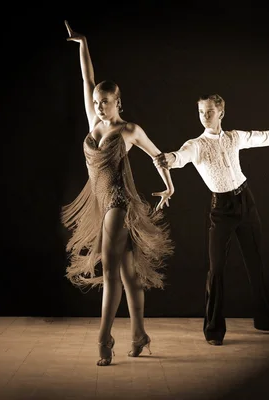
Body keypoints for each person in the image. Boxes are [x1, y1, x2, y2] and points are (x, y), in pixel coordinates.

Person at [154, 94, 269, 345]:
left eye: (209, 111)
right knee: (216, 270)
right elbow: (181, 156)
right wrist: (170, 159)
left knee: (255, 263)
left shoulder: (234, 137)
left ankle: (267, 320)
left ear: (221, 112)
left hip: (246, 202)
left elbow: (264, 137)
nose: (204, 116)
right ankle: (213, 330)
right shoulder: (196, 144)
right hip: (221, 210)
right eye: (201, 112)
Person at [61, 21, 175, 366]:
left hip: (117, 204)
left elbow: (158, 154)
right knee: (127, 273)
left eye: (105, 101)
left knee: (111, 272)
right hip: (99, 201)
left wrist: (170, 184)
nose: (99, 106)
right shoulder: (94, 123)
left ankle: (104, 340)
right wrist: (83, 43)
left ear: (117, 102)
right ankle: (139, 334)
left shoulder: (128, 130)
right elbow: (86, 78)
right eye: (96, 101)